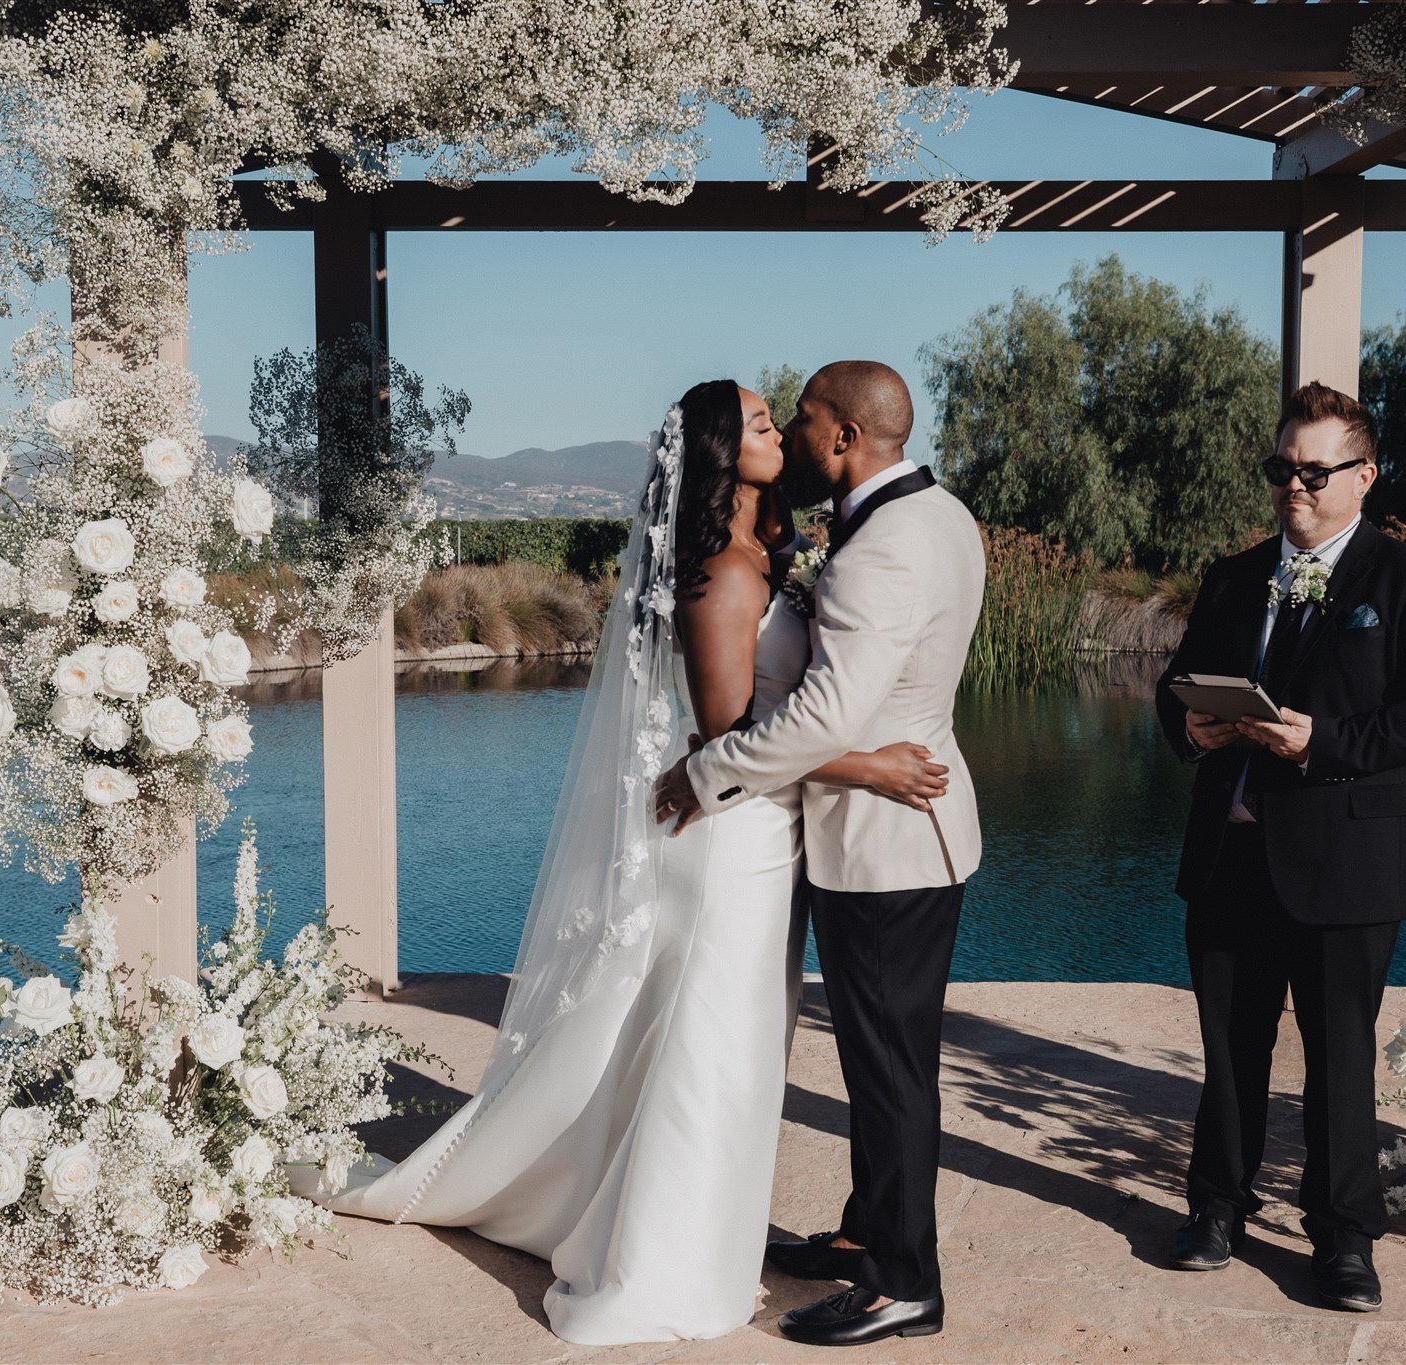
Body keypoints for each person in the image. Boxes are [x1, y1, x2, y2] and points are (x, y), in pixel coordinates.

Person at [325, 379, 945, 1345]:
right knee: (719, 1053)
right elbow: (726, 730)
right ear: (715, 453)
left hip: (759, 831)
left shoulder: (761, 554)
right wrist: (869, 763)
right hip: (732, 838)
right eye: (757, 422)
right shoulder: (723, 572)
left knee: (730, 1049)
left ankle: (692, 1234)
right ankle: (673, 1264)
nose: (778, 426)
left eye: (780, 417)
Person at [656, 361, 986, 1348]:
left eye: (799, 419)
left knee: (887, 1071)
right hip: (916, 831)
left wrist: (709, 773)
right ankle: (861, 1232)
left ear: (842, 436)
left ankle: (900, 1284)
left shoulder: (878, 548)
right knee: (889, 1061)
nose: (792, 434)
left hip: (883, 845)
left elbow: (822, 717)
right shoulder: (941, 515)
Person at [1153, 381, 1406, 1313]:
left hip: (1347, 860)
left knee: (1340, 1058)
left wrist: (1320, 742)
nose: (1292, 485)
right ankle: (1216, 1208)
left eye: (1313, 470)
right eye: (1280, 469)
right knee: (1229, 1046)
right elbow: (1176, 688)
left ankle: (1344, 1238)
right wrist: (1194, 730)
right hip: (1231, 853)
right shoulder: (1232, 575)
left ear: (1364, 476)